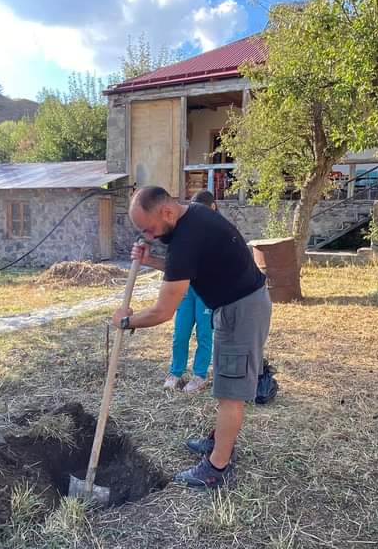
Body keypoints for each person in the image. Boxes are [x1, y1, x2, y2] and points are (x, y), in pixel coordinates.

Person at [112, 186, 272, 489]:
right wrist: (151, 261)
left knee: (231, 393)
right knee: (227, 383)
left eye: (149, 229)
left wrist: (126, 322)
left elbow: (162, 311)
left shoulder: (187, 238)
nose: (148, 236)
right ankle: (218, 441)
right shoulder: (194, 218)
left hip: (242, 310)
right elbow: (186, 269)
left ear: (167, 212)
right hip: (234, 305)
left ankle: (216, 468)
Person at [164, 190, 217, 394]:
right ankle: (175, 372)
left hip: (207, 292)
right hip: (187, 289)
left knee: (204, 333)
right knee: (180, 333)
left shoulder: (217, 229)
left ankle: (199, 375)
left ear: (213, 208)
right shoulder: (184, 229)